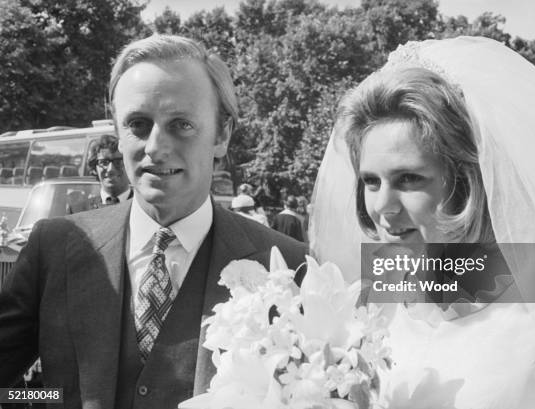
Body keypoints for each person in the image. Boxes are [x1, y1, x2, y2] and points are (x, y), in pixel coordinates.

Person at [0, 34, 306, 409]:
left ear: (222, 134)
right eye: (139, 124)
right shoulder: (55, 247)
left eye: (181, 124)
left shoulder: (288, 268)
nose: (155, 148)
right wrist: (41, 401)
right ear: (117, 132)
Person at [311, 36, 535, 408]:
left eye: (409, 179)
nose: (383, 207)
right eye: (371, 181)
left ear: (468, 180)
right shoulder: (373, 300)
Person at [87, 133, 133, 207]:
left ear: (129, 165)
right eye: (104, 162)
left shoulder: (147, 208)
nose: (111, 169)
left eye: (118, 162)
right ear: (94, 168)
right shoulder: (77, 211)